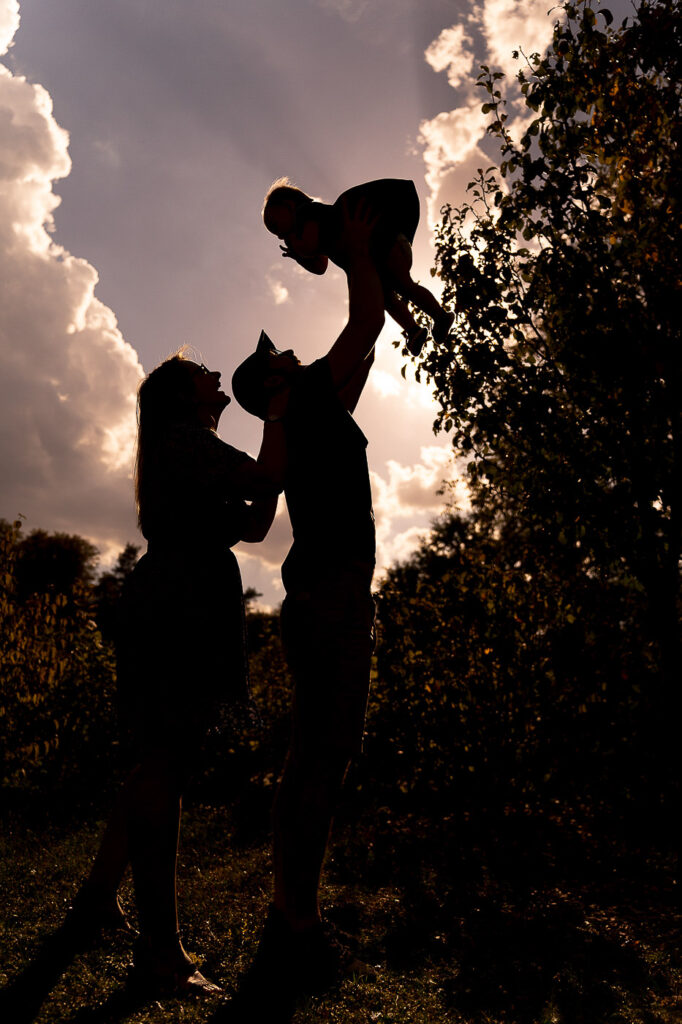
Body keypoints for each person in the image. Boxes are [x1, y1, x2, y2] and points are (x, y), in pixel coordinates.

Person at [59, 351, 287, 996]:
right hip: (179, 605)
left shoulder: (188, 450)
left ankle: (97, 898)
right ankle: (161, 952)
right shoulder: (185, 440)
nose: (217, 378)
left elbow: (255, 524)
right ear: (182, 397)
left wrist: (274, 449)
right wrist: (277, 414)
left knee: (160, 763)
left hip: (185, 598)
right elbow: (269, 476)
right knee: (167, 766)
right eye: (203, 374)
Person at [231, 199, 384, 997]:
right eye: (279, 355)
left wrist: (372, 276)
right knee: (321, 759)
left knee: (315, 758)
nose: (287, 348)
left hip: (325, 598)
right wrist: (358, 253)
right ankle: (295, 920)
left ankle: (294, 911)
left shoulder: (318, 413)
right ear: (277, 383)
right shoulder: (309, 406)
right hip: (328, 601)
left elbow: (366, 341)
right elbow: (359, 329)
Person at [262, 176, 454, 356]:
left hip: (382, 242)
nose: (278, 235)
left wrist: (298, 250)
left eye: (274, 225)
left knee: (404, 285)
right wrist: (299, 257)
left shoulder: (307, 213)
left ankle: (439, 317)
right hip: (380, 251)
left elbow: (311, 245)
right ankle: (413, 330)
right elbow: (320, 267)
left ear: (288, 206)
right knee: (387, 296)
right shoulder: (306, 230)